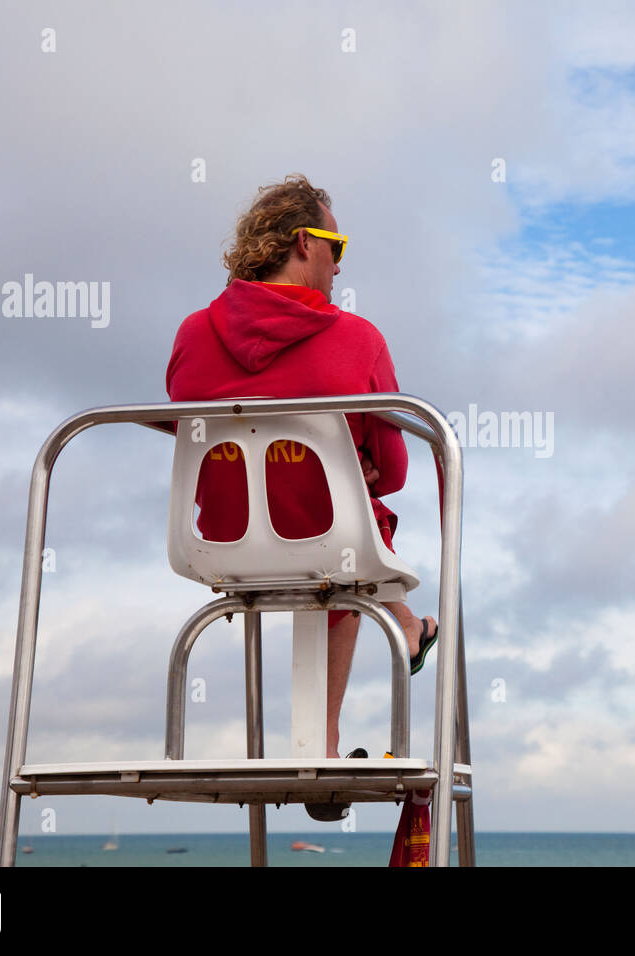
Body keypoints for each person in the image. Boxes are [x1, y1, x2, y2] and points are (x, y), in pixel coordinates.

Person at [165, 173, 438, 762]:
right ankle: (325, 740)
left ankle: (400, 636)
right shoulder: (358, 340)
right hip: (332, 541)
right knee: (352, 524)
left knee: (338, 520)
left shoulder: (191, 334)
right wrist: (350, 465)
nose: (340, 267)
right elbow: (392, 473)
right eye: (336, 248)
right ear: (303, 244)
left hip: (220, 540)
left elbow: (185, 429)